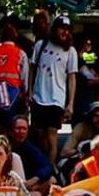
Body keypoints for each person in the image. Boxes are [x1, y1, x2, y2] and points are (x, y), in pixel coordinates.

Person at [30, 16, 79, 162]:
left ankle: (51, 166)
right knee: (39, 134)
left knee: (52, 133)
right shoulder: (41, 45)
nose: (64, 32)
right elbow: (33, 69)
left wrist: (70, 103)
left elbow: (71, 77)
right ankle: (42, 162)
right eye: (62, 29)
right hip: (39, 96)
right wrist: (29, 91)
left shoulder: (70, 51)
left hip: (57, 98)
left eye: (68, 30)